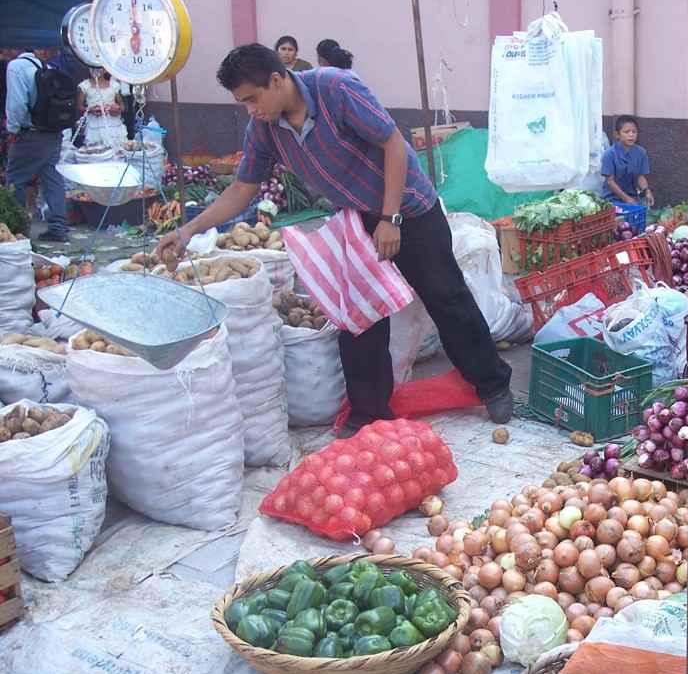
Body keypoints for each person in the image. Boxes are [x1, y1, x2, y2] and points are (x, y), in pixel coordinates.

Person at [153, 44, 513, 436]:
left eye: (253, 99)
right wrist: (187, 231)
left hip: (408, 206)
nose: (251, 110)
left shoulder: (336, 89)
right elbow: (242, 188)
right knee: (359, 313)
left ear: (276, 79)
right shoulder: (264, 130)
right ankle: (368, 411)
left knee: (445, 296)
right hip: (355, 218)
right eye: (243, 103)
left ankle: (493, 385)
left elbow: (393, 144)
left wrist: (390, 218)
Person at [5, 48, 68, 242]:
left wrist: (13, 129)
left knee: (15, 180)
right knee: (52, 177)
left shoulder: (16, 67)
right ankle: (58, 227)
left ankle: (16, 229)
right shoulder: (48, 67)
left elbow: (17, 104)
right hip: (53, 132)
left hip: (30, 133)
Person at [601, 115, 653, 207]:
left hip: (633, 197)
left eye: (634, 132)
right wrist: (626, 199)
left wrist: (647, 191)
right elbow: (610, 181)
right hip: (612, 199)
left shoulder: (641, 152)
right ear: (617, 134)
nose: (631, 135)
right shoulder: (610, 154)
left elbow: (640, 177)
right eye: (626, 132)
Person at [77, 69, 127, 148]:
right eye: (92, 68)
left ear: (105, 70)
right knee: (96, 148)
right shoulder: (85, 85)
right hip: (94, 123)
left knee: (117, 146)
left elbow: (122, 106)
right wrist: (91, 110)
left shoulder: (114, 85)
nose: (95, 71)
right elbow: (79, 107)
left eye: (98, 68)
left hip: (113, 123)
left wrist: (116, 110)